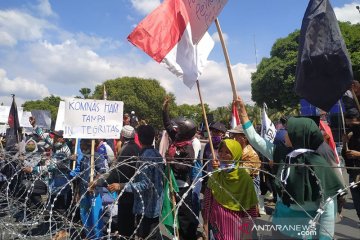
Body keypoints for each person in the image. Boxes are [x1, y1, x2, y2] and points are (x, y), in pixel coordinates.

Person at [235, 96, 345, 239]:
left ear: (298, 134)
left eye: (289, 131)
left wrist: (325, 237)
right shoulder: (283, 154)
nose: (285, 134)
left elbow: (329, 208)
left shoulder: (320, 165)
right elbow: (256, 140)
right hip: (279, 228)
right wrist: (243, 113)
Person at [106, 125, 164, 239]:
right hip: (154, 202)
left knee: (148, 234)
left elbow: (145, 184)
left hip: (147, 206)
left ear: (140, 138)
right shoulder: (156, 154)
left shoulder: (146, 157)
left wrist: (121, 186)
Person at [203, 139, 258, 240]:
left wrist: (247, 233)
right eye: (221, 151)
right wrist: (205, 224)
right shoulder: (216, 175)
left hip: (236, 228)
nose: (222, 155)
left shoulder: (244, 179)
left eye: (227, 152)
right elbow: (207, 201)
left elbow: (250, 210)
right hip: (215, 226)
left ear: (236, 155)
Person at [162, 96, 198, 240]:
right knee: (173, 212)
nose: (175, 130)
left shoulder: (188, 148)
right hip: (171, 183)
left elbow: (187, 166)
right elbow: (167, 125)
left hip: (182, 186)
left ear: (184, 131)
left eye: (178, 128)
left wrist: (172, 161)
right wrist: (164, 110)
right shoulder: (176, 139)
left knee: (184, 216)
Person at [98, 125, 140, 238]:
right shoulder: (137, 147)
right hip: (135, 189)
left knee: (125, 224)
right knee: (131, 222)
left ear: (122, 136)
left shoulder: (125, 149)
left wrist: (101, 182)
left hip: (124, 191)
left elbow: (117, 172)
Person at [228, 125, 263, 215]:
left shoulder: (251, 154)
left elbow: (242, 173)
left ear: (244, 138)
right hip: (237, 185)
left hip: (249, 185)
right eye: (232, 135)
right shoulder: (237, 150)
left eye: (235, 136)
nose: (232, 138)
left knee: (248, 214)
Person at [342, 107, 360, 226]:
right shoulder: (349, 133)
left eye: (353, 123)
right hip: (353, 172)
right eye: (349, 123)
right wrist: (344, 143)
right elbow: (345, 154)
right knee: (357, 199)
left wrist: (358, 154)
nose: (351, 126)